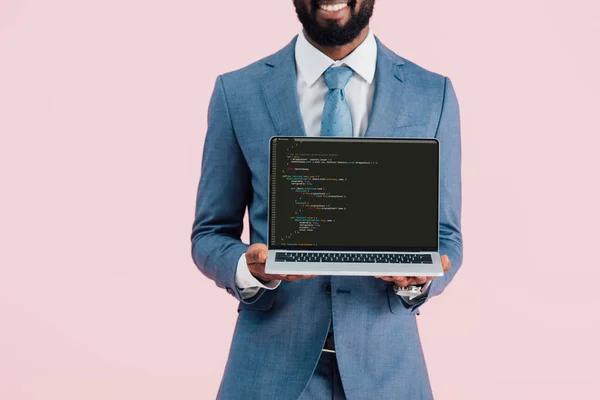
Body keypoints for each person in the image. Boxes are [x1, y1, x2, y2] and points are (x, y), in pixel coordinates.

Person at [191, 0, 463, 398]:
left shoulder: (431, 93)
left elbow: (446, 235)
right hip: (269, 370)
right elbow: (210, 233)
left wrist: (419, 281)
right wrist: (247, 268)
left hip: (388, 373)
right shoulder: (238, 92)